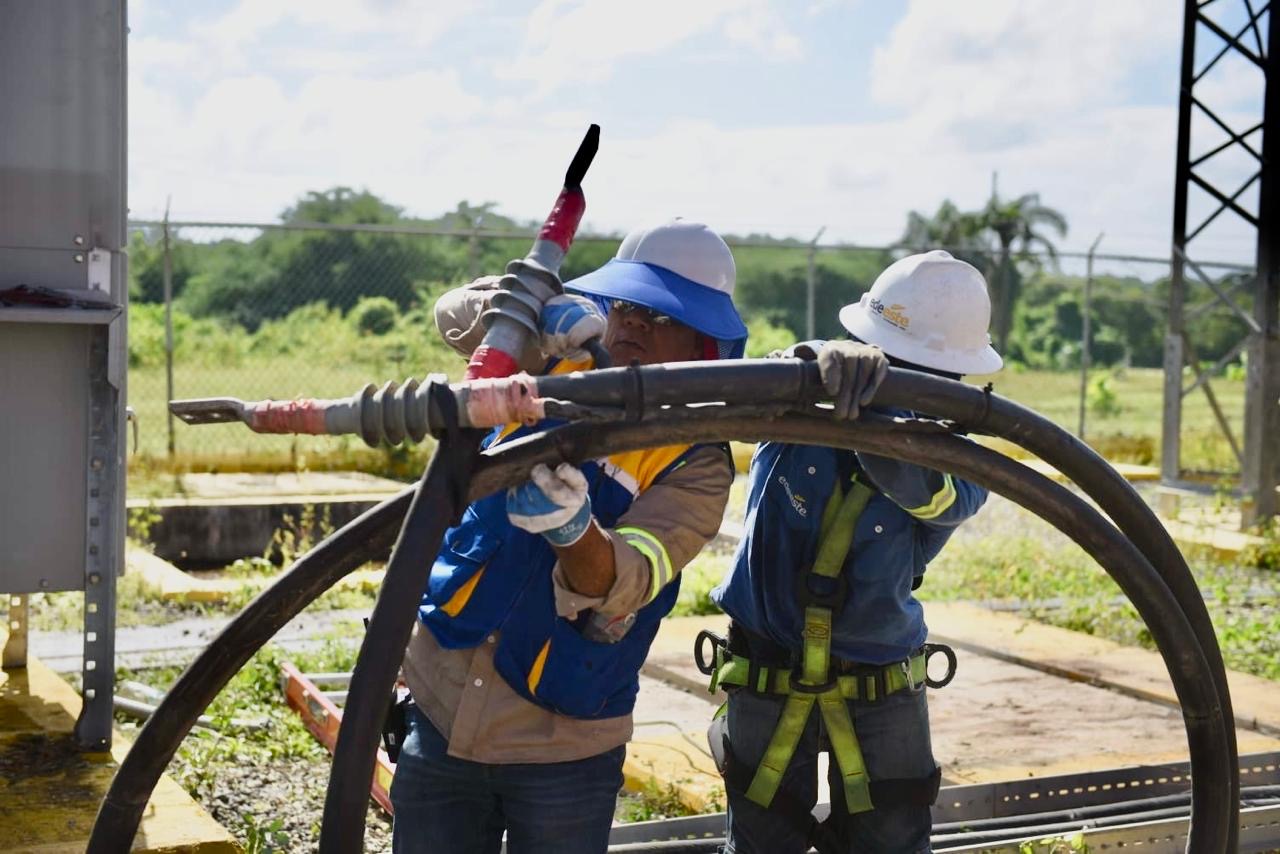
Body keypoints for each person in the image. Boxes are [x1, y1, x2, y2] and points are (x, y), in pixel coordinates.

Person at [389, 219, 748, 854]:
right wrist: (531, 309)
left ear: (703, 343)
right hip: (442, 705)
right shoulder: (559, 359)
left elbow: (623, 583)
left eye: (661, 315)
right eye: (628, 305)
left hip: (563, 743)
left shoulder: (696, 461)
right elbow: (452, 316)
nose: (634, 324)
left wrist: (572, 531)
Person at [706, 250, 1003, 854]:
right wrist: (810, 361)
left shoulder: (953, 456)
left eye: (937, 379)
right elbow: (735, 400)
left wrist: (879, 411)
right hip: (767, 663)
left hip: (880, 680)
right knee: (761, 840)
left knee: (892, 837)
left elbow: (938, 495)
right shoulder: (796, 396)